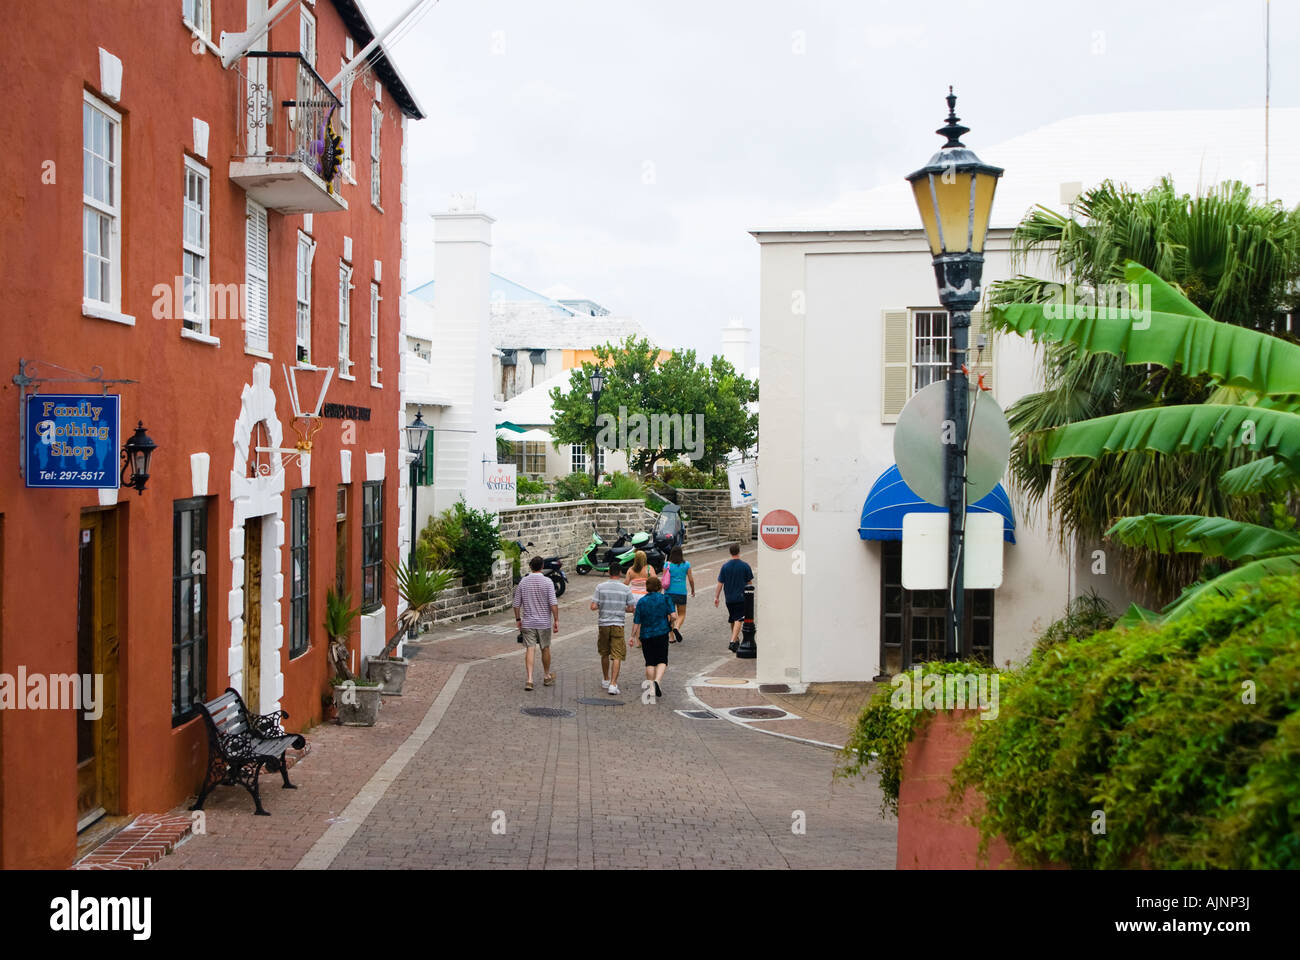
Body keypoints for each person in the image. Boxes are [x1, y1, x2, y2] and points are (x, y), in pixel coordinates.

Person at [513, 554, 559, 691]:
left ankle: (529, 679)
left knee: (530, 649)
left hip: (528, 622)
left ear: (530, 567)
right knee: (545, 648)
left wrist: (518, 620)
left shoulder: (523, 582)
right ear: (542, 566)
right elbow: (553, 603)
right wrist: (556, 619)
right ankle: (546, 676)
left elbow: (516, 604)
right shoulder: (548, 582)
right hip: (544, 622)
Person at [589, 560, 634, 696]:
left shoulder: (600, 587)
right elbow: (631, 608)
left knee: (604, 652)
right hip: (618, 624)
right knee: (617, 654)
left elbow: (593, 606)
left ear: (609, 572)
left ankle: (605, 679)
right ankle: (613, 684)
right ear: (620, 573)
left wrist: (602, 605)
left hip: (603, 624)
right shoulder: (626, 589)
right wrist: (621, 608)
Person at [631, 573, 677, 701]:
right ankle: (657, 680)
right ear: (659, 587)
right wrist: (671, 623)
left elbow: (636, 621)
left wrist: (632, 636)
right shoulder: (665, 598)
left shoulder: (641, 601)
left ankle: (651, 688)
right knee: (662, 660)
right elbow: (673, 616)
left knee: (649, 662)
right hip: (661, 633)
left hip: (646, 634)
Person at [714, 543, 753, 653]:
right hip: (741, 597)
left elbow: (720, 583)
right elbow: (749, 583)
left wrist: (716, 597)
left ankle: (736, 640)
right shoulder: (745, 566)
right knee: (739, 619)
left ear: (730, 552)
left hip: (729, 598)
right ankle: (732, 641)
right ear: (739, 551)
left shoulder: (725, 566)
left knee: (733, 618)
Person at [663, 546, 694, 644]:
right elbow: (690, 579)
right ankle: (677, 627)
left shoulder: (667, 564)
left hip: (668, 592)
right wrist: (693, 589)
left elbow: (664, 579)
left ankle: (671, 637)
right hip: (681, 592)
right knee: (682, 614)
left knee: (669, 615)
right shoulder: (686, 564)